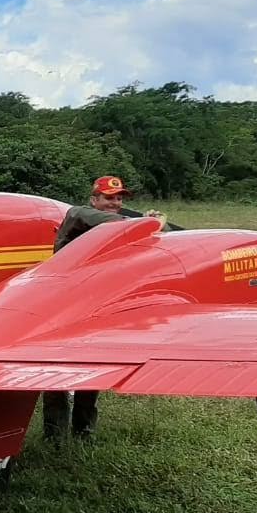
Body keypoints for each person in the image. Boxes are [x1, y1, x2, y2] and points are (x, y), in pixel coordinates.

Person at [43, 175, 164, 440]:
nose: (115, 203)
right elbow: (99, 222)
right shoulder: (79, 216)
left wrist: (146, 226)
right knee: (56, 369)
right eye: (109, 198)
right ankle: (54, 434)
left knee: (91, 367)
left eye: (119, 199)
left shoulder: (117, 227)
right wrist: (138, 222)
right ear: (94, 199)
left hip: (95, 306)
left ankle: (83, 430)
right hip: (61, 307)